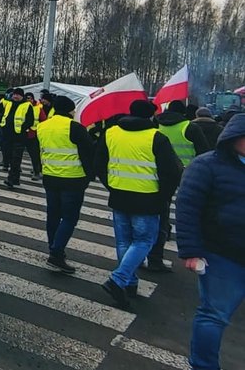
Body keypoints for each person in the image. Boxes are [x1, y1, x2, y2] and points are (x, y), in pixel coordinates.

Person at [95, 99, 182, 310]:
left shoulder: (111, 132)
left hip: (118, 194)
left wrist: (111, 184)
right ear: (151, 116)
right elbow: (172, 171)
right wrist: (164, 196)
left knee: (124, 241)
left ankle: (130, 282)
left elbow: (99, 162)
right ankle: (119, 279)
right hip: (147, 198)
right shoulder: (156, 137)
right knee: (144, 240)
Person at [176, 113, 245, 370]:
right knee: (214, 315)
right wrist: (190, 250)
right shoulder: (207, 165)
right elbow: (187, 208)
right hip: (222, 255)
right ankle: (204, 366)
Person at [148, 100, 210, 272]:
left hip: (159, 173)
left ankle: (162, 236)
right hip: (186, 174)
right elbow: (204, 152)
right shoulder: (189, 127)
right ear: (184, 112)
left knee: (161, 210)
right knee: (186, 210)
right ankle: (161, 254)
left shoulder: (155, 123)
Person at [38, 95, 95, 273]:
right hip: (73, 179)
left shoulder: (43, 126)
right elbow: (88, 152)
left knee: (53, 215)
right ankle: (56, 252)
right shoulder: (75, 127)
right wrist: (89, 176)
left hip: (50, 176)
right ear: (70, 110)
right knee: (69, 218)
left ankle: (53, 246)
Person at [1, 88, 34, 188]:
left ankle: (11, 179)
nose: (15, 96)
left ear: (21, 96)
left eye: (17, 95)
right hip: (8, 135)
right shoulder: (9, 103)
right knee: (10, 157)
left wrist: (22, 128)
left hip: (19, 136)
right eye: (14, 95)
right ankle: (15, 178)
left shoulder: (27, 105)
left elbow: (30, 121)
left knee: (16, 158)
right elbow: (4, 115)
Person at [24, 92, 44, 180]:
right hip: (22, 133)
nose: (29, 100)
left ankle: (37, 171)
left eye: (30, 98)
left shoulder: (38, 108)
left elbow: (43, 120)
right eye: (27, 98)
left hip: (34, 134)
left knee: (35, 154)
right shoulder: (22, 107)